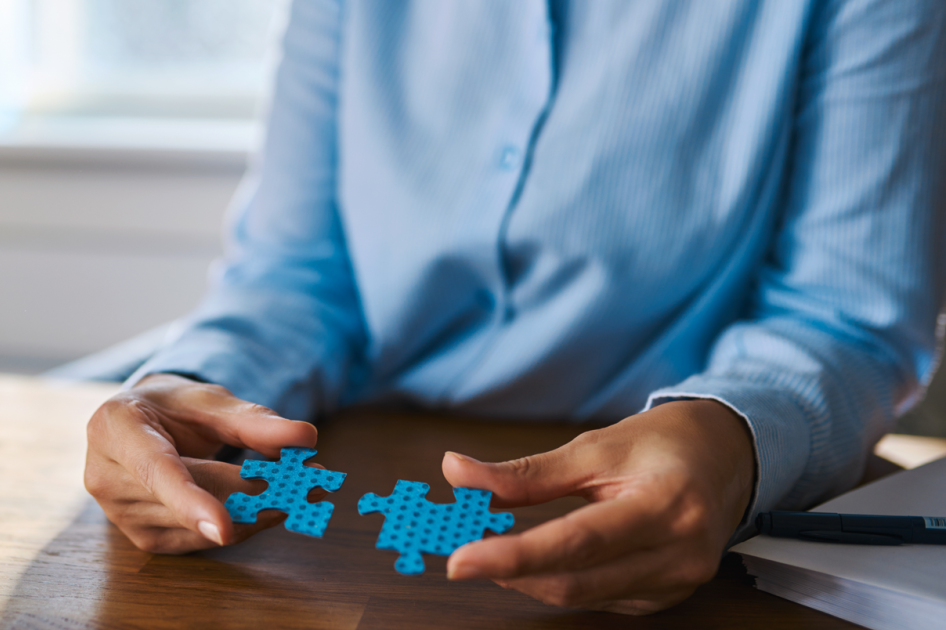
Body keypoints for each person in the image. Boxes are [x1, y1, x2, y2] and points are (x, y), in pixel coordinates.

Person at [83, 0, 946, 614]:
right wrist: (195, 384)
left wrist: (731, 437)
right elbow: (297, 276)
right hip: (334, 513)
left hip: (648, 513)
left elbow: (848, 315)